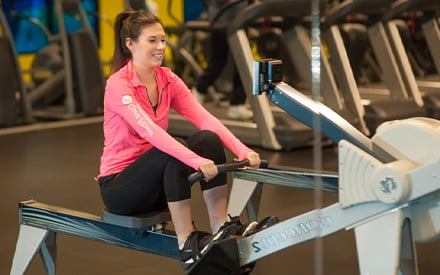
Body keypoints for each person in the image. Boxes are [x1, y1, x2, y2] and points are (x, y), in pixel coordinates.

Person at [96, 9, 261, 270]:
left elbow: (206, 119)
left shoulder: (167, 79)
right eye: (153, 40)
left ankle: (221, 227)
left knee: (207, 139)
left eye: (162, 40)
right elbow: (152, 132)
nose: (161, 46)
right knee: (175, 147)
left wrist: (242, 150)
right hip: (120, 188)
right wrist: (194, 161)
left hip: (158, 183)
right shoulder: (119, 85)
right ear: (130, 44)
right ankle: (186, 240)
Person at [192, 0, 253, 120]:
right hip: (222, 20)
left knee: (242, 64)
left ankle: (237, 104)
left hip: (241, 19)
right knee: (218, 62)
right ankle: (199, 91)